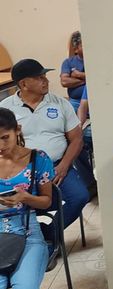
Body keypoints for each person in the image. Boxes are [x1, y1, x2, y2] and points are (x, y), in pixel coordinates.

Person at [0, 59, 89, 230]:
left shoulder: (60, 103)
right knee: (14, 202)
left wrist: (64, 165)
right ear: (23, 84)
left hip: (57, 167)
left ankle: (48, 236)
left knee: (79, 197)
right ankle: (22, 234)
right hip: (20, 169)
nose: (46, 81)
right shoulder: (5, 108)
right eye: (40, 78)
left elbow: (77, 139)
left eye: (45, 77)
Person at [0, 108, 54, 289]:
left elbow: (47, 201)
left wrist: (25, 197)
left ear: (17, 130)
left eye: (5, 137)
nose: (1, 145)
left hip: (28, 233)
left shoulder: (37, 159)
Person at [60, 30, 86, 113]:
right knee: (66, 114)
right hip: (75, 101)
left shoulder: (96, 61)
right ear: (76, 49)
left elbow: (98, 78)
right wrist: (85, 80)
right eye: (83, 45)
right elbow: (64, 82)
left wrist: (79, 74)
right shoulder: (68, 62)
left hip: (93, 100)